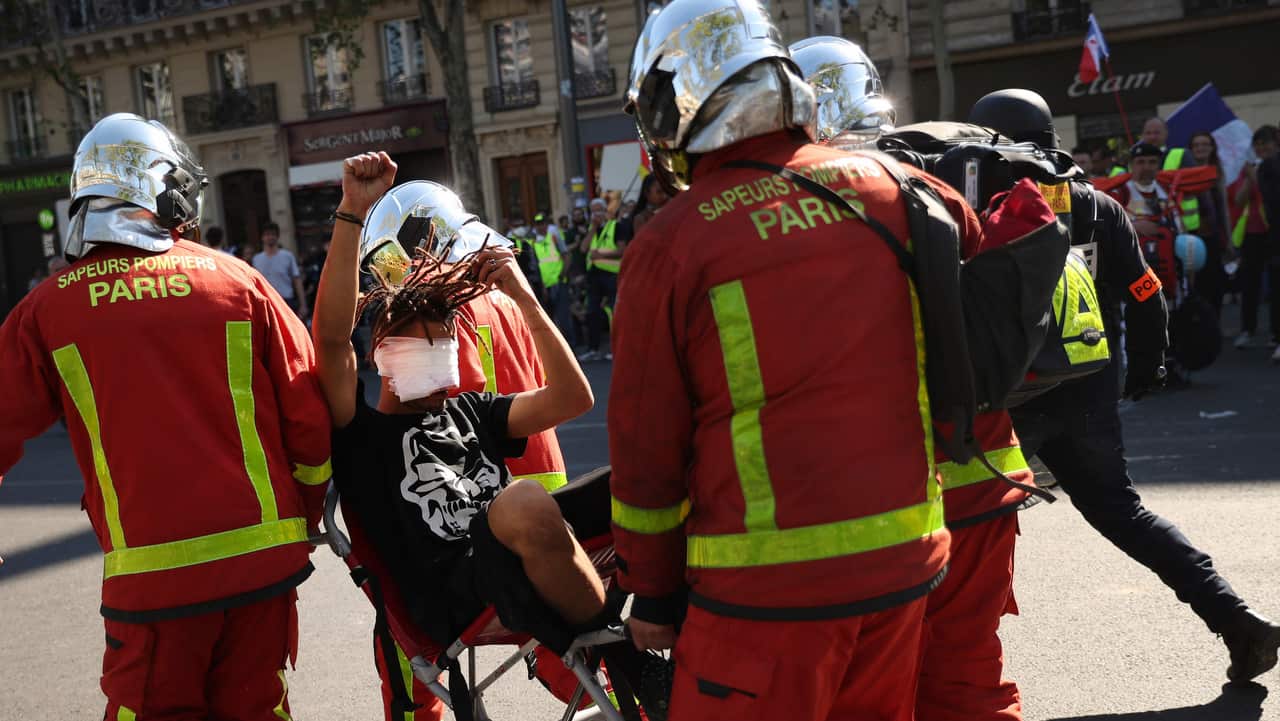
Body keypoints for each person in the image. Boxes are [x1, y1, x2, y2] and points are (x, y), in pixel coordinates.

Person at [611, 4, 957, 719]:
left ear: (680, 96)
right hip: (904, 563)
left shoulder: (672, 242)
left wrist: (652, 588)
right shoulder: (895, 187)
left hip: (762, 595)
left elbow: (646, 447)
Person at [0, 113, 333, 720]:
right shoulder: (240, 281)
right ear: (163, 187)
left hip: (152, 578)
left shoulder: (47, 308)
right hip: (262, 565)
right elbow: (309, 421)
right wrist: (306, 514)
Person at [971, 91, 1280, 684]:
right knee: (1124, 512)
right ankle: (1236, 619)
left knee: (969, 525)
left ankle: (957, 670)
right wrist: (1146, 364)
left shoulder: (973, 202)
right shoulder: (1096, 205)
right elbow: (1145, 290)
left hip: (1007, 394)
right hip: (1087, 383)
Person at [313, 153, 612, 712]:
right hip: (450, 590)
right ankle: (618, 650)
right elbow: (330, 341)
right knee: (523, 499)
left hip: (512, 558)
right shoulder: (362, 435)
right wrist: (352, 213)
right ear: (381, 353)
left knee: (625, 485)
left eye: (446, 344)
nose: (442, 361)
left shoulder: (471, 410)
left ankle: (642, 635)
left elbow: (574, 399)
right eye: (422, 345)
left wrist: (523, 295)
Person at [1231, 125, 1280, 352]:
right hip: (1252, 233)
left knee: (1276, 284)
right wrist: (1250, 179)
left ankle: (1275, 334)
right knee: (1249, 283)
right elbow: (1239, 201)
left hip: (1274, 232)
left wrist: (1258, 177)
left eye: (1265, 143)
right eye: (1257, 145)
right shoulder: (1251, 169)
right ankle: (1247, 329)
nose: (1261, 149)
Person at [1189, 131, 1233, 313]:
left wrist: (1229, 239)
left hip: (1214, 237)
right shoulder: (1185, 173)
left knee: (1216, 286)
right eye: (1196, 145)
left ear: (1212, 148)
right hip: (1193, 238)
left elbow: (1223, 208)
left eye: (1205, 144)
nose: (1201, 148)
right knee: (1198, 287)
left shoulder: (1217, 172)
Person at [576, 197, 620, 362]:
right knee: (592, 312)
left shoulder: (615, 226)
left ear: (605, 211)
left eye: (598, 211)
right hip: (594, 276)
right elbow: (583, 248)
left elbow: (623, 250)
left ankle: (616, 348)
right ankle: (592, 348)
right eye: (593, 212)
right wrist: (593, 228)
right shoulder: (591, 229)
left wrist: (601, 255)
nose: (595, 215)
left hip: (611, 275)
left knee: (614, 313)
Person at [531, 212, 575, 346]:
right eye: (538, 224)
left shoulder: (554, 237)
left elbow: (567, 256)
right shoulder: (534, 243)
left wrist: (563, 274)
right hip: (545, 287)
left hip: (559, 283)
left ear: (547, 224)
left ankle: (571, 347)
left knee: (563, 318)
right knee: (550, 320)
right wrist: (542, 287)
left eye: (542, 223)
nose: (540, 227)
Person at [252, 222, 309, 321]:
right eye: (267, 234)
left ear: (277, 236)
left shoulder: (287, 256)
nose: (270, 237)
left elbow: (297, 281)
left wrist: (303, 304)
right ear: (262, 237)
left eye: (273, 234)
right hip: (266, 302)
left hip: (286, 300)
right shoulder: (256, 259)